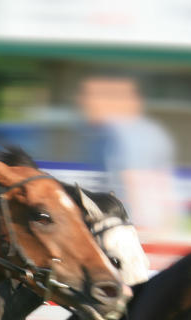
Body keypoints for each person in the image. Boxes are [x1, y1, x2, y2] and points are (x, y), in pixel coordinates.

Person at [76, 75, 185, 241]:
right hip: (154, 224)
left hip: (140, 226)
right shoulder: (145, 130)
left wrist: (132, 224)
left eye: (88, 97)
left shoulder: (122, 135)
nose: (82, 102)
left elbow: (133, 181)